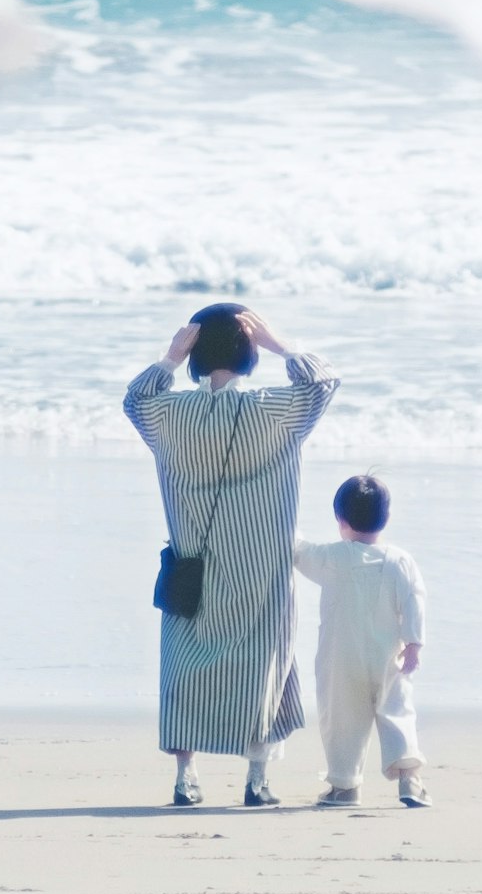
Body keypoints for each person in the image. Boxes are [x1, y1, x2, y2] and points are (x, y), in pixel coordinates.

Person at [123, 304, 337, 808]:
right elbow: (324, 384)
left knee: (185, 667)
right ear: (249, 351)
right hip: (260, 568)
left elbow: (135, 400)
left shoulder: (169, 415)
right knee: (264, 665)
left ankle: (185, 777)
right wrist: (281, 345)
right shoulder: (275, 411)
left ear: (195, 351)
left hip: (194, 566)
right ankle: (257, 780)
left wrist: (170, 360)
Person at [292, 475, 430, 809]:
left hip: (342, 658)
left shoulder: (333, 557)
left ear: (341, 521)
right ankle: (409, 780)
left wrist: (283, 514)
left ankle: (344, 786)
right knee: (397, 712)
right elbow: (414, 600)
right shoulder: (399, 560)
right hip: (389, 657)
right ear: (387, 518)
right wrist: (414, 643)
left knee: (341, 718)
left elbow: (298, 552)